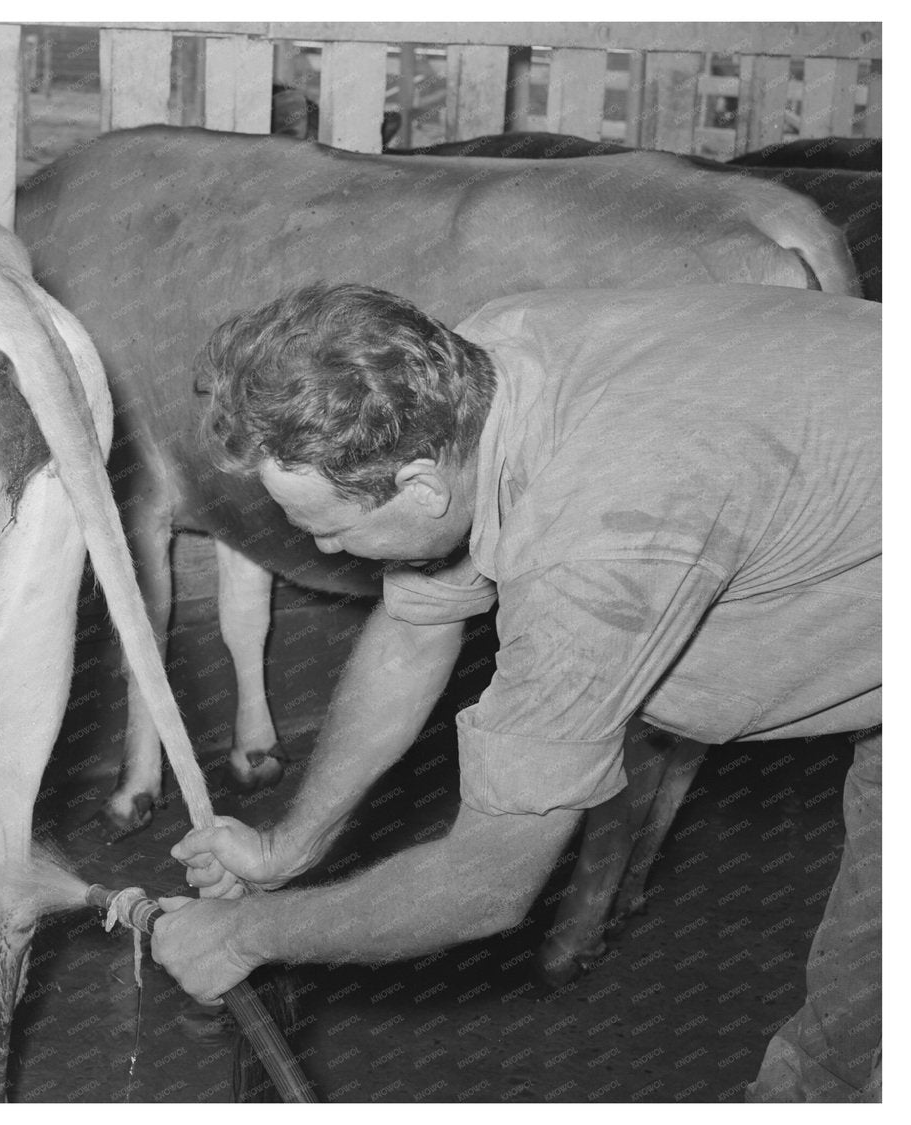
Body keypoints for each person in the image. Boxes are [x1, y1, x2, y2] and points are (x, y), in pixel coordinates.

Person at [149, 282, 880, 1102]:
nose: (319, 545)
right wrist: (292, 845)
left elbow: (487, 885)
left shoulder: (594, 540)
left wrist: (243, 936)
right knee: (862, 1015)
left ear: (423, 488)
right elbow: (418, 625)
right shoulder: (474, 364)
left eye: (326, 526)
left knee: (867, 1024)